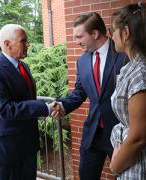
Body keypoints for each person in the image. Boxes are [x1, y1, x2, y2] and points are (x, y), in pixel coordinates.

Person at [51, 12, 128, 179]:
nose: (76, 41)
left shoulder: (124, 55)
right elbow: (79, 92)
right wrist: (63, 105)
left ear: (95, 33)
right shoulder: (82, 61)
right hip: (93, 134)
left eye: (79, 36)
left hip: (120, 134)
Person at [0, 24, 57, 180]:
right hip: (8, 149)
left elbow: (25, 99)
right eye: (23, 41)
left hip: (27, 145)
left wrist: (40, 111)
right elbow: (5, 109)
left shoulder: (24, 66)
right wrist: (44, 109)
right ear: (7, 44)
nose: (28, 44)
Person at [109, 2, 146, 179]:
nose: (112, 36)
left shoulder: (142, 74)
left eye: (113, 31)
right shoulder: (134, 67)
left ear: (126, 33)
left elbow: (138, 138)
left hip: (142, 168)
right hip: (135, 163)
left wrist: (114, 166)